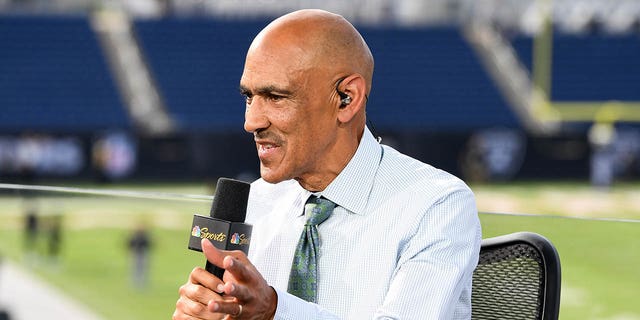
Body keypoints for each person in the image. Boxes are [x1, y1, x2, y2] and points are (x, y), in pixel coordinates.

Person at [173, 9, 481, 320]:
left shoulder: (436, 206)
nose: (251, 122)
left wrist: (274, 310)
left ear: (347, 98)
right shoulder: (257, 202)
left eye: (276, 97)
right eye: (249, 97)